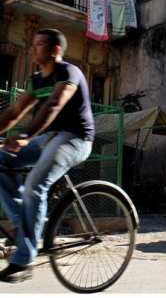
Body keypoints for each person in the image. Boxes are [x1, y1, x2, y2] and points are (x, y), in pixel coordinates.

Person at [0, 29, 94, 283]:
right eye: (33, 43)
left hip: (75, 139)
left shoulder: (68, 73)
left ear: (55, 50)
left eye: (39, 44)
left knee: (34, 183)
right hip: (49, 138)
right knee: (1, 159)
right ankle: (22, 224)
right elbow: (14, 111)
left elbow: (53, 105)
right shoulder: (36, 79)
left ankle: (24, 259)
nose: (33, 48)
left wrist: (25, 136)